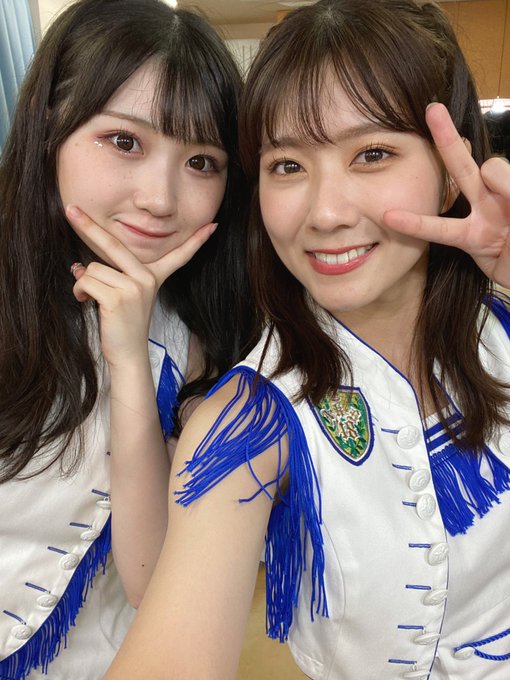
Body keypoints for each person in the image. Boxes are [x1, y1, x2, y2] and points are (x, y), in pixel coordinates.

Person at [103, 1, 510, 679]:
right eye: (287, 165)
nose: (324, 212)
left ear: (450, 169)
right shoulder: (251, 418)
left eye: (372, 154)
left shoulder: (501, 324)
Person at [0, 0, 253, 678]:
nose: (161, 199)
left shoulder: (201, 338)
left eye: (201, 161)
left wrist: (130, 360)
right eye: (124, 142)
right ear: (49, 126)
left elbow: (151, 580)